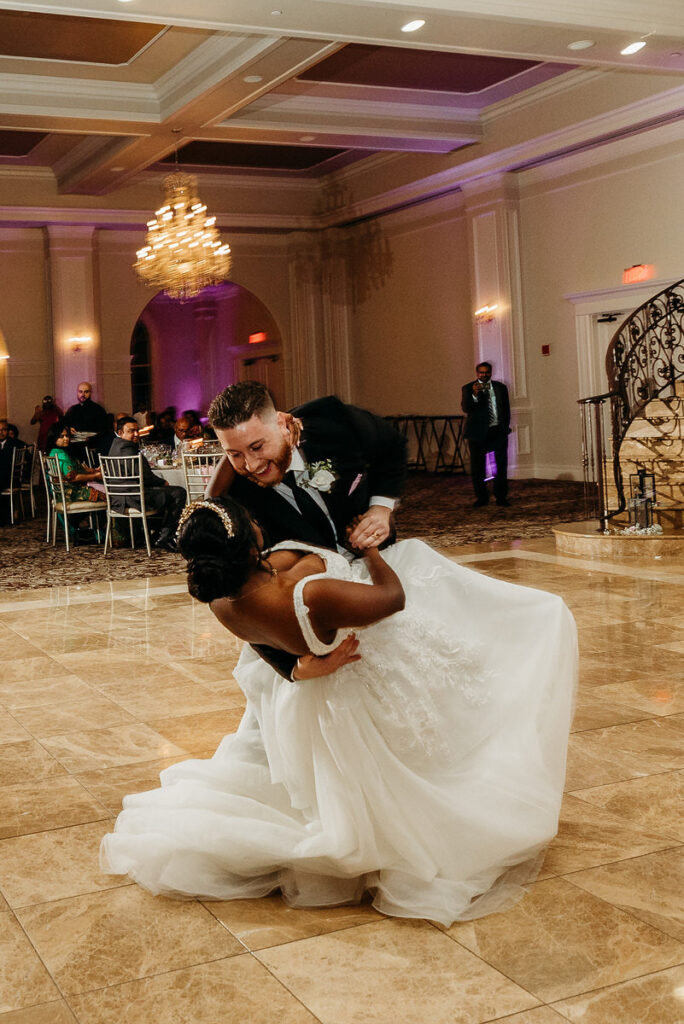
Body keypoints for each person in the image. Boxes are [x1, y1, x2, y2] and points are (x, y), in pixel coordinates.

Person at [100, 496, 577, 927]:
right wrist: (371, 552)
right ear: (249, 543)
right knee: (434, 739)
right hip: (361, 678)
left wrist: (300, 670)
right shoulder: (310, 596)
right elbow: (393, 599)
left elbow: (261, 643)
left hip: (315, 692)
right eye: (250, 521)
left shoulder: (222, 599)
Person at [205, 380, 408, 679]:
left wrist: (381, 507)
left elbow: (392, 446)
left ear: (281, 424)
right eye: (234, 454)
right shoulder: (234, 497)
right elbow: (238, 594)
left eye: (257, 446)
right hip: (315, 615)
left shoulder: (331, 420)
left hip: (384, 567)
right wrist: (292, 668)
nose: (250, 464)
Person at [108, 415, 186, 551]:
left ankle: (156, 536)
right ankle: (165, 537)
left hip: (118, 497)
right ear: (120, 433)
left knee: (165, 493)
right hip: (133, 497)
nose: (136, 434)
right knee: (178, 492)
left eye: (137, 430)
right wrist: (163, 482)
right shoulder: (129, 451)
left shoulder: (114, 447)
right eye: (131, 431)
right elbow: (146, 478)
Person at [461, 361, 511, 508]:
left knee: (500, 467)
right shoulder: (468, 388)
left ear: (491, 372)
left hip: (497, 431)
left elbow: (506, 409)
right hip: (477, 433)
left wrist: (505, 427)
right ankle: (482, 497)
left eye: (486, 372)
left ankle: (501, 497)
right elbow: (466, 408)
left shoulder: (500, 388)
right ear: (477, 373)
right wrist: (475, 395)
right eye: (481, 372)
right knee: (478, 467)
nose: (484, 375)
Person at [63, 381, 110, 456]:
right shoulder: (72, 410)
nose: (83, 394)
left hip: (92, 446)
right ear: (77, 393)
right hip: (74, 446)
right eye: (80, 392)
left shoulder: (98, 410)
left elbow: (104, 430)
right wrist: (69, 428)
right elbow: (64, 425)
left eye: (86, 392)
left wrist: (92, 438)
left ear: (90, 393)